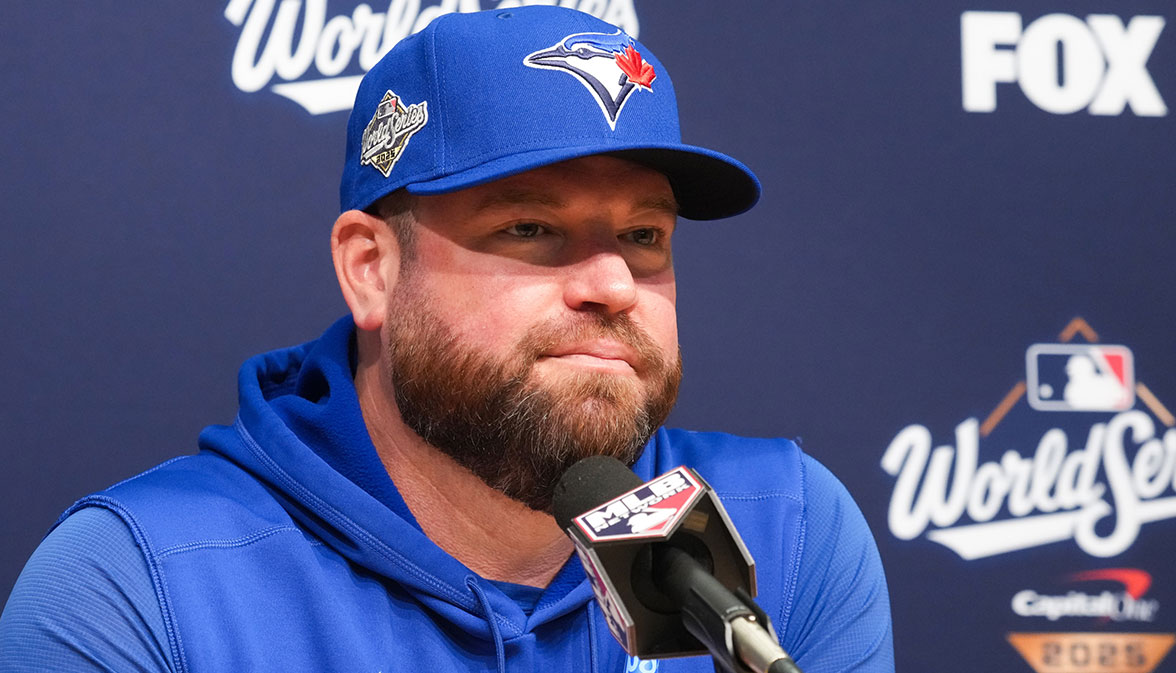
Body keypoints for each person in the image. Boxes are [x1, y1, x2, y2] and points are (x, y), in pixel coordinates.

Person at [0, 7, 893, 672]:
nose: (613, 284)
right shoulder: (143, 583)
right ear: (371, 270)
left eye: (643, 236)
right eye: (531, 229)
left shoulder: (784, 532)